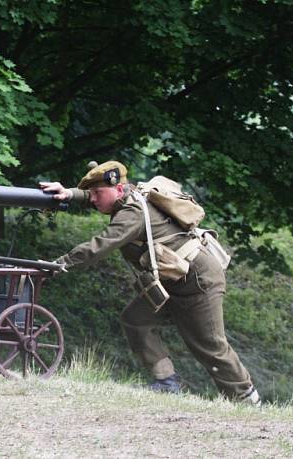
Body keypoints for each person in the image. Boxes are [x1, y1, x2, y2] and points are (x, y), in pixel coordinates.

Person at [40, 160, 259, 404]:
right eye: (90, 194)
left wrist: (56, 265)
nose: (92, 200)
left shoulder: (131, 213)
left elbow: (99, 247)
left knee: (209, 345)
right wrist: (70, 193)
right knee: (136, 320)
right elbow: (99, 193)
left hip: (198, 279)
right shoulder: (128, 196)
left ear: (119, 189)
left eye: (96, 194)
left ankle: (246, 399)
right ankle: (167, 382)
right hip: (173, 280)